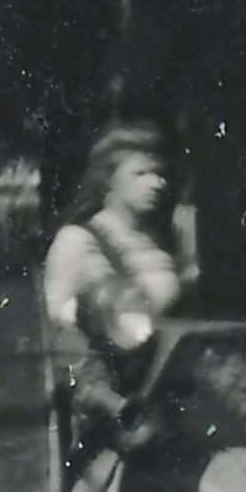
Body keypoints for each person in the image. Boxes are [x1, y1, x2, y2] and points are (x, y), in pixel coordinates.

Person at [44, 121, 186, 348]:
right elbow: (54, 326)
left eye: (160, 174)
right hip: (100, 375)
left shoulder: (162, 242)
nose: (157, 184)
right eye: (140, 173)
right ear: (109, 179)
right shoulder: (76, 240)